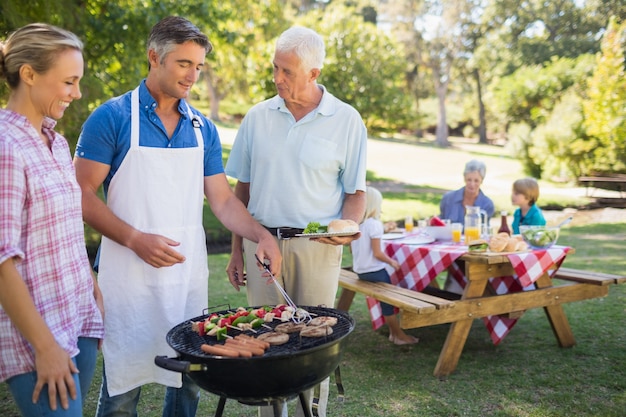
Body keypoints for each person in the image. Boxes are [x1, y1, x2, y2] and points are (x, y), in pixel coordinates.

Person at [73, 16, 281, 417]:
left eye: (199, 66)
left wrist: (261, 235)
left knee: (189, 380)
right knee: (123, 389)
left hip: (186, 278)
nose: (193, 75)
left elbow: (221, 200)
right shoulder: (112, 117)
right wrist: (135, 239)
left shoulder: (202, 127)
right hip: (128, 278)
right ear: (154, 57)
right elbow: (79, 194)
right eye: (184, 63)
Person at [224, 26, 367, 417]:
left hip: (317, 248)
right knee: (265, 340)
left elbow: (356, 192)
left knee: (314, 342)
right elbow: (241, 192)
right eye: (275, 68)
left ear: (314, 74)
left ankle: (312, 413)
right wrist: (237, 251)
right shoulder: (256, 117)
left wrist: (347, 227)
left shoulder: (347, 120)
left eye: (287, 71)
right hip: (261, 244)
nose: (277, 78)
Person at [0, 23, 105, 416]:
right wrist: (44, 347)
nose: (77, 93)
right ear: (29, 74)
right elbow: (1, 259)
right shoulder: (5, 146)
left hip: (79, 315)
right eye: (69, 81)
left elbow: (62, 226)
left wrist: (91, 285)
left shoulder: (56, 142)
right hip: (38, 338)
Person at [351, 187, 419, 345]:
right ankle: (397, 335)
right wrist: (391, 262)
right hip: (375, 272)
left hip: (361, 272)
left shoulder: (358, 224)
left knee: (387, 299)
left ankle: (394, 333)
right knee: (388, 302)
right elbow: (377, 253)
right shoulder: (374, 224)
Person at [439, 159, 495, 226]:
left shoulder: (487, 204)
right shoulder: (448, 199)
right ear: (464, 178)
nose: (472, 184)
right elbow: (441, 223)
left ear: (482, 181)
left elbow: (484, 232)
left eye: (476, 181)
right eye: (469, 180)